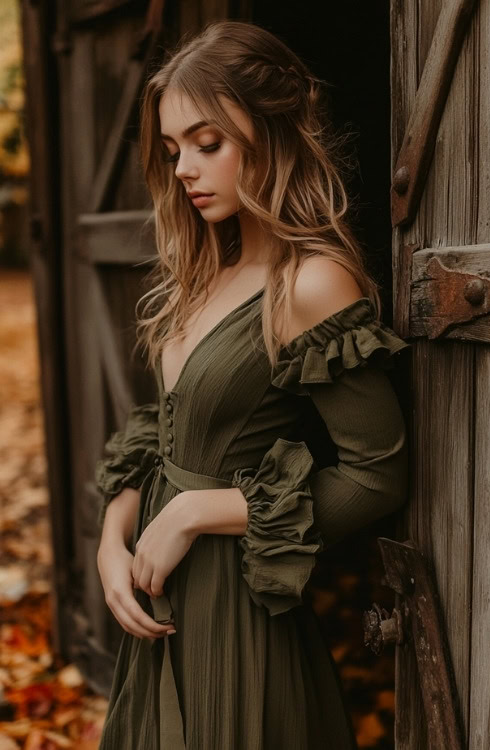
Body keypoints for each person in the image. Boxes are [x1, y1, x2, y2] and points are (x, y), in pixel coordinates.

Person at [95, 19, 411, 750]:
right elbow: (166, 430)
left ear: (272, 133)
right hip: (159, 599)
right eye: (175, 151)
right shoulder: (205, 271)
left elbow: (377, 475)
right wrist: (116, 539)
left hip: (236, 614)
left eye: (208, 144)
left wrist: (195, 513)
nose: (183, 170)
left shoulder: (312, 282)